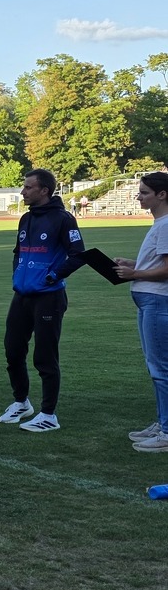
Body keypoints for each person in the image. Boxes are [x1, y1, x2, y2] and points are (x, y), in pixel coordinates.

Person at [1, 168, 85, 434]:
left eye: (28, 187)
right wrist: (18, 274)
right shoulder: (26, 218)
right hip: (22, 295)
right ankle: (21, 402)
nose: (23, 192)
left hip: (49, 297)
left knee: (45, 356)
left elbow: (78, 254)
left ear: (44, 190)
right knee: (13, 350)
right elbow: (18, 251)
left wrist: (52, 276)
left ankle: (48, 415)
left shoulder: (63, 219)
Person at [114, 170, 168, 451]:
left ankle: (167, 431)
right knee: (155, 366)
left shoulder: (166, 225)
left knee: (161, 368)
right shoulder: (160, 223)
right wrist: (134, 264)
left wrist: (135, 274)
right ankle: (162, 422)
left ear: (162, 195)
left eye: (144, 193)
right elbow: (157, 263)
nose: (139, 197)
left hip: (158, 301)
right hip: (149, 301)